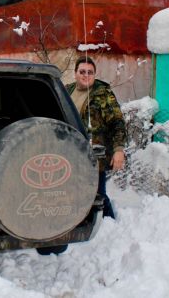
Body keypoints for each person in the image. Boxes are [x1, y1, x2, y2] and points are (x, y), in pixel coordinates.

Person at [65, 56, 127, 218]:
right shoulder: (66, 91)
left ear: (95, 74)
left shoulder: (102, 94)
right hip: (70, 153)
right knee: (73, 192)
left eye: (90, 72)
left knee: (97, 193)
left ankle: (109, 224)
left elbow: (117, 122)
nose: (86, 75)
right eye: (82, 72)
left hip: (95, 155)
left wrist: (118, 149)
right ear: (75, 73)